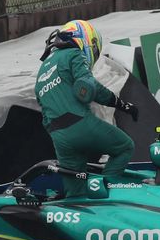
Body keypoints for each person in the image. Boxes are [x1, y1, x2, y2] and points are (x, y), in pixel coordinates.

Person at [34, 19, 139, 197]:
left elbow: (43, 108)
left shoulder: (43, 69)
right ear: (87, 41)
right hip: (80, 123)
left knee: (75, 192)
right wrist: (122, 105)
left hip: (58, 136)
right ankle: (107, 191)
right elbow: (88, 86)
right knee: (124, 146)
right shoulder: (74, 53)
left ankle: (76, 213)